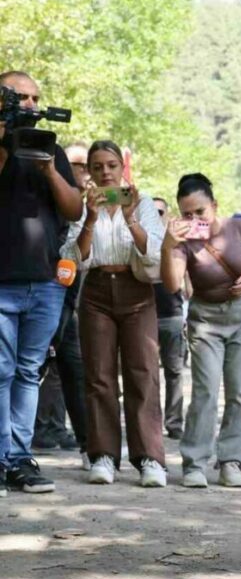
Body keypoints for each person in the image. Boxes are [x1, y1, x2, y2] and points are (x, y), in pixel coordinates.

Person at [63, 140, 167, 487]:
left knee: (143, 372)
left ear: (122, 168)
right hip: (95, 291)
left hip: (136, 289)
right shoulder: (81, 206)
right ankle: (103, 455)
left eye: (110, 165)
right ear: (89, 172)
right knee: (98, 376)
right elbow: (73, 258)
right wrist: (91, 219)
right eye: (97, 167)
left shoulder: (144, 202)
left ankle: (150, 459)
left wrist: (130, 218)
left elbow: (155, 252)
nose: (105, 172)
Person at [0, 70, 82, 496]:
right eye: (20, 97)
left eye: (35, 97)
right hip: (2, 283)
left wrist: (51, 169)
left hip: (46, 284)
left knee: (28, 373)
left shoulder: (52, 150)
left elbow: (72, 209)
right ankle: (3, 461)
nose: (30, 104)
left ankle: (18, 459)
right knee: (0, 372)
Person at [161, 173, 241, 488]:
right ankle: (194, 463)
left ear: (214, 206)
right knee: (205, 392)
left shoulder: (238, 228)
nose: (195, 220)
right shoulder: (182, 244)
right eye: (187, 214)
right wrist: (168, 245)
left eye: (200, 212)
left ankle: (232, 460)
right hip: (206, 320)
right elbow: (173, 284)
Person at [34, 143, 91, 456]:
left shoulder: (93, 202)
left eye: (86, 165)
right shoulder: (47, 189)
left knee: (75, 367)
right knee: (31, 366)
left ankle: (88, 444)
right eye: (76, 164)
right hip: (44, 285)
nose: (81, 171)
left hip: (72, 297)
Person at [151, 197, 187, 440]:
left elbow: (181, 280)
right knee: (148, 372)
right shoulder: (141, 238)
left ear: (167, 214)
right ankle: (151, 423)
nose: (156, 215)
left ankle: (174, 423)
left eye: (160, 211)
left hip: (172, 315)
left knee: (174, 371)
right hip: (144, 316)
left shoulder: (177, 243)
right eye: (151, 212)